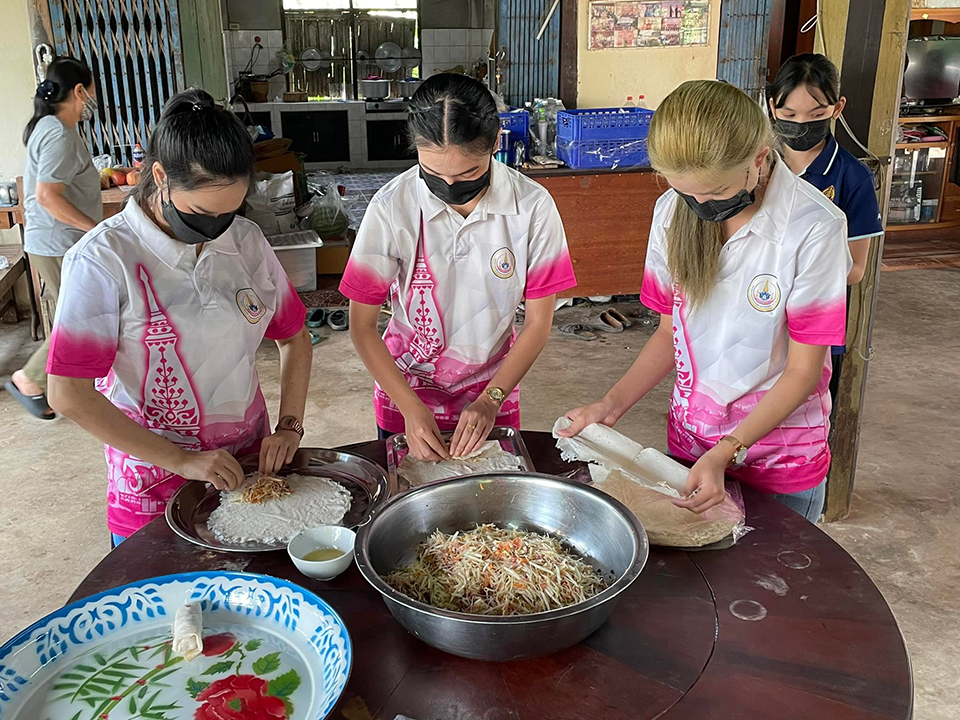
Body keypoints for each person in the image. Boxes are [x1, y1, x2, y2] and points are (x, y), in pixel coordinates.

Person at [560, 80, 851, 523]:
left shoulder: (814, 228)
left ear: (758, 159)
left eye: (714, 193)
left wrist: (728, 451)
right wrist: (609, 406)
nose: (700, 205)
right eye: (686, 192)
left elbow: (803, 370)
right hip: (691, 447)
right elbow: (668, 334)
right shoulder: (671, 212)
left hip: (779, 456)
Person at [46, 89, 312, 546]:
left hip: (248, 468)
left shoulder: (244, 241)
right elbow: (68, 394)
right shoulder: (104, 259)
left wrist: (289, 425)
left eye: (232, 211)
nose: (218, 226)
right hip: (154, 481)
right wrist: (184, 461)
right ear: (160, 177)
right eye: (203, 213)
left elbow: (294, 338)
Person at [340, 73, 576, 461]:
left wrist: (491, 398)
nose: (449, 185)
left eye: (467, 174)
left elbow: (537, 323)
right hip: (404, 389)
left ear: (495, 144)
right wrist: (411, 409)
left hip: (494, 387)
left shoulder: (532, 207)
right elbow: (362, 326)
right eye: (432, 174)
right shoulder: (391, 206)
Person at [768, 53, 884, 405]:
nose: (801, 125)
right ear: (772, 107)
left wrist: (781, 272)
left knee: (802, 424)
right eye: (789, 116)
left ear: (837, 108)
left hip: (815, 323)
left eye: (816, 115)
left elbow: (855, 270)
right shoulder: (758, 166)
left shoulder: (851, 177)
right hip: (755, 317)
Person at [4, 58, 103, 420]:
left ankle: (54, 385)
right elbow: (47, 195)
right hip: (60, 244)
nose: (91, 101)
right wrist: (95, 230)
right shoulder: (59, 134)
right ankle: (30, 380)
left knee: (75, 318)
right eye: (90, 94)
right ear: (79, 92)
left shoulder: (49, 127)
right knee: (76, 322)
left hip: (53, 242)